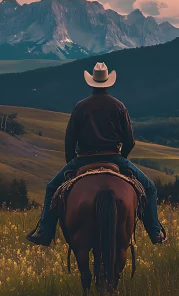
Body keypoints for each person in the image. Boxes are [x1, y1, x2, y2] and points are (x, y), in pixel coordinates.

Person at [26, 61, 166, 246]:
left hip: (83, 160)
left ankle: (44, 233)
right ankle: (154, 232)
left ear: (91, 82)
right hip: (114, 158)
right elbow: (130, 140)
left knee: (52, 188)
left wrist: (72, 164)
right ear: (108, 82)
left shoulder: (80, 107)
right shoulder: (119, 106)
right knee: (149, 188)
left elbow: (70, 140)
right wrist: (121, 159)